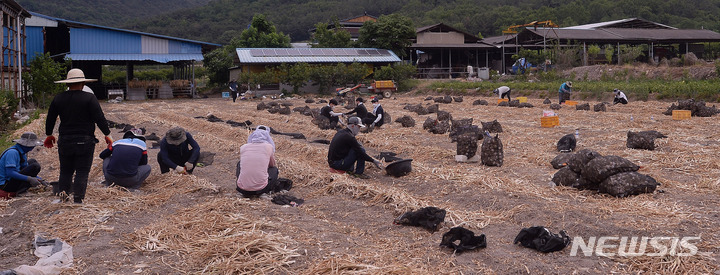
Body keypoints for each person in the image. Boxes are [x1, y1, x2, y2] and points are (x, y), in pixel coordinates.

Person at [45, 68, 113, 204]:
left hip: (65, 140)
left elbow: (50, 118)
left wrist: (49, 134)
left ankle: (64, 199)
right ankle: (78, 201)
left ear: (67, 84)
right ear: (83, 83)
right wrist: (107, 134)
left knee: (65, 171)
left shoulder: (58, 98)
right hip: (85, 141)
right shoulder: (89, 98)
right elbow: (99, 118)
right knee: (82, 172)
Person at [235, 126, 279, 197]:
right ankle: (266, 190)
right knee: (274, 170)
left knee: (239, 164)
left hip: (242, 189)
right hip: (260, 190)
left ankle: (244, 185)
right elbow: (272, 164)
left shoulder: (243, 147)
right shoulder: (268, 147)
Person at [0, 132, 44, 199]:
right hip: (5, 185)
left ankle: (23, 187)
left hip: (11, 180)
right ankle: (21, 191)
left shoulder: (22, 153)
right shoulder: (12, 153)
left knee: (32, 161)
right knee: (35, 166)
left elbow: (24, 168)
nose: (33, 147)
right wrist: (29, 179)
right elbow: (10, 172)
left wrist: (40, 179)